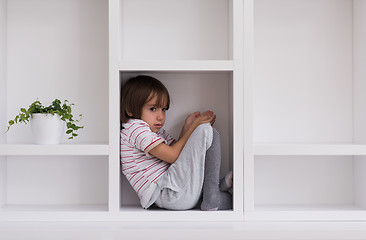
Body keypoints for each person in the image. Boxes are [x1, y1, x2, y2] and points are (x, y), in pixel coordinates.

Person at [120, 75, 233, 211]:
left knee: (204, 131)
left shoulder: (153, 132)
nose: (160, 116)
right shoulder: (135, 129)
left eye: (163, 109)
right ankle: (212, 194)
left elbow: (179, 155)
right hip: (169, 193)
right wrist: (194, 128)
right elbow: (173, 156)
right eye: (152, 109)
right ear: (130, 110)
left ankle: (211, 192)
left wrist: (187, 128)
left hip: (173, 192)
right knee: (206, 130)